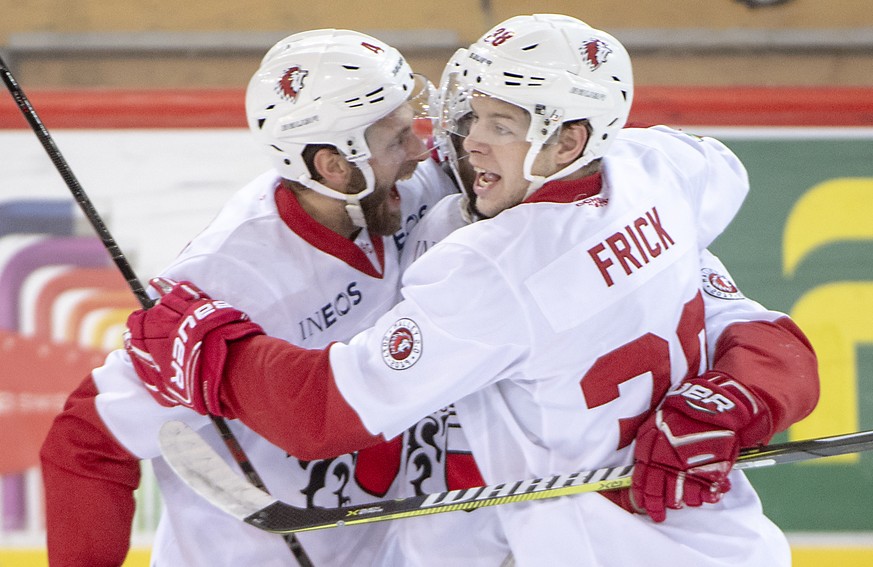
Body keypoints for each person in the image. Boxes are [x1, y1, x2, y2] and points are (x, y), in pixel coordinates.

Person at [124, 14, 819, 567]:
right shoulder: (658, 171)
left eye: (500, 125)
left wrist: (209, 350)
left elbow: (326, 411)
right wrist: (735, 399)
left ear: (569, 141)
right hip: (726, 546)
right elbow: (759, 328)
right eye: (471, 115)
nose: (465, 142)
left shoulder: (498, 269)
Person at [39, 29, 460, 566]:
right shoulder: (226, 280)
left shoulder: (405, 190)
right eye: (397, 139)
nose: (419, 151)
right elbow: (84, 443)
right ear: (335, 165)